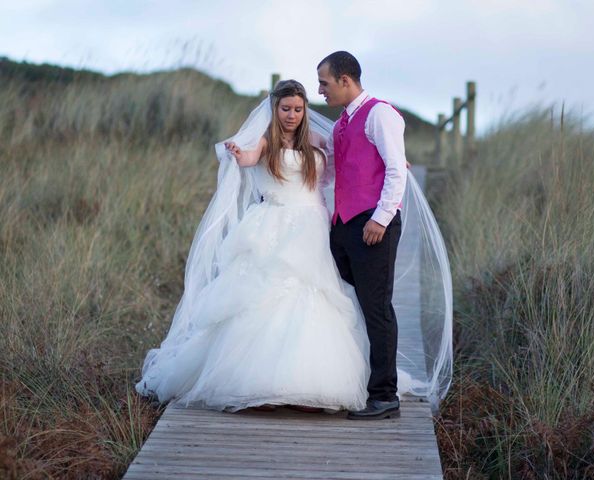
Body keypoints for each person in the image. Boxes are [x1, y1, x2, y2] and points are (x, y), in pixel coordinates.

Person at [135, 78, 453, 417]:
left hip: (312, 225)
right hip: (272, 223)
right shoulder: (265, 141)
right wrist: (239, 154)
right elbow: (249, 158)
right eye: (286, 108)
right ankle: (263, 381)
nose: (292, 114)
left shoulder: (319, 139)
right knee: (266, 296)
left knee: (314, 296)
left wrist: (389, 162)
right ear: (275, 109)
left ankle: (313, 383)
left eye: (298, 109)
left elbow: (346, 160)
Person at [318, 51, 409, 419]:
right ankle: (355, 376)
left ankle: (385, 396)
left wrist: (382, 218)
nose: (320, 90)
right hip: (344, 226)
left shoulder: (379, 114)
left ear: (345, 80)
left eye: (324, 82)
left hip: (374, 225)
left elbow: (395, 170)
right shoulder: (342, 123)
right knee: (346, 300)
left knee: (376, 307)